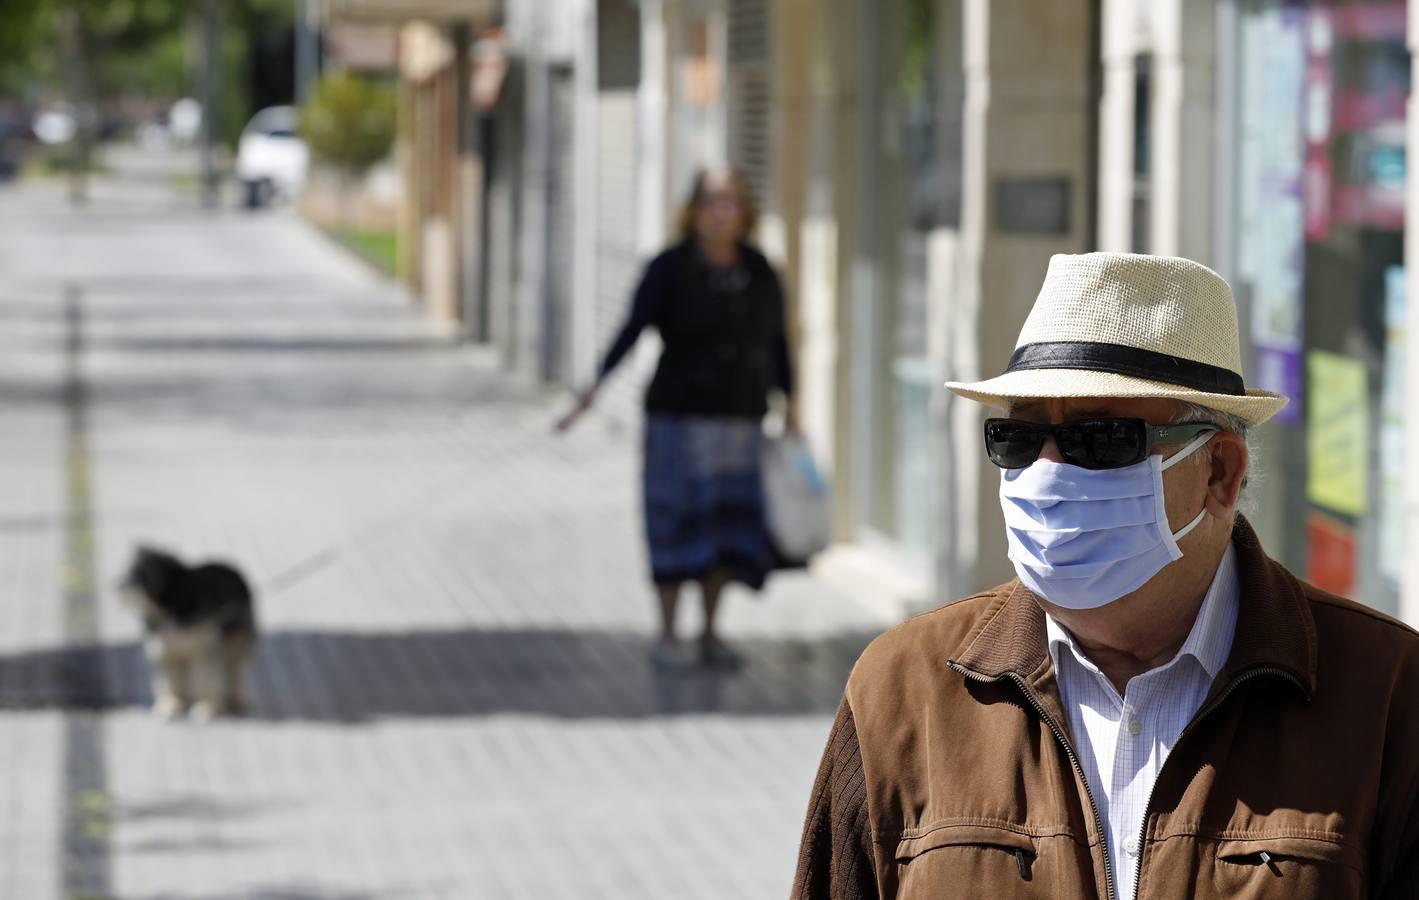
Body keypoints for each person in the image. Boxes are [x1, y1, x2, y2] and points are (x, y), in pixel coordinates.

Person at [792, 252, 1419, 899]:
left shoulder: (1384, 692)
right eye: (1016, 438)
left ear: (1219, 473)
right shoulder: (901, 690)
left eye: (1101, 440)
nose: (1046, 474)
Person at [557, 168, 795, 670]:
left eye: (730, 199)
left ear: (745, 209)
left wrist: (790, 404)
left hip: (738, 418)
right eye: (711, 199)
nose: (721, 209)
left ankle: (710, 631)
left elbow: (778, 343)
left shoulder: (760, 270)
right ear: (694, 209)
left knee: (724, 530)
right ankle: (668, 633)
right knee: (671, 523)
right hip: (676, 418)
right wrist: (593, 388)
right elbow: (632, 328)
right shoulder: (669, 268)